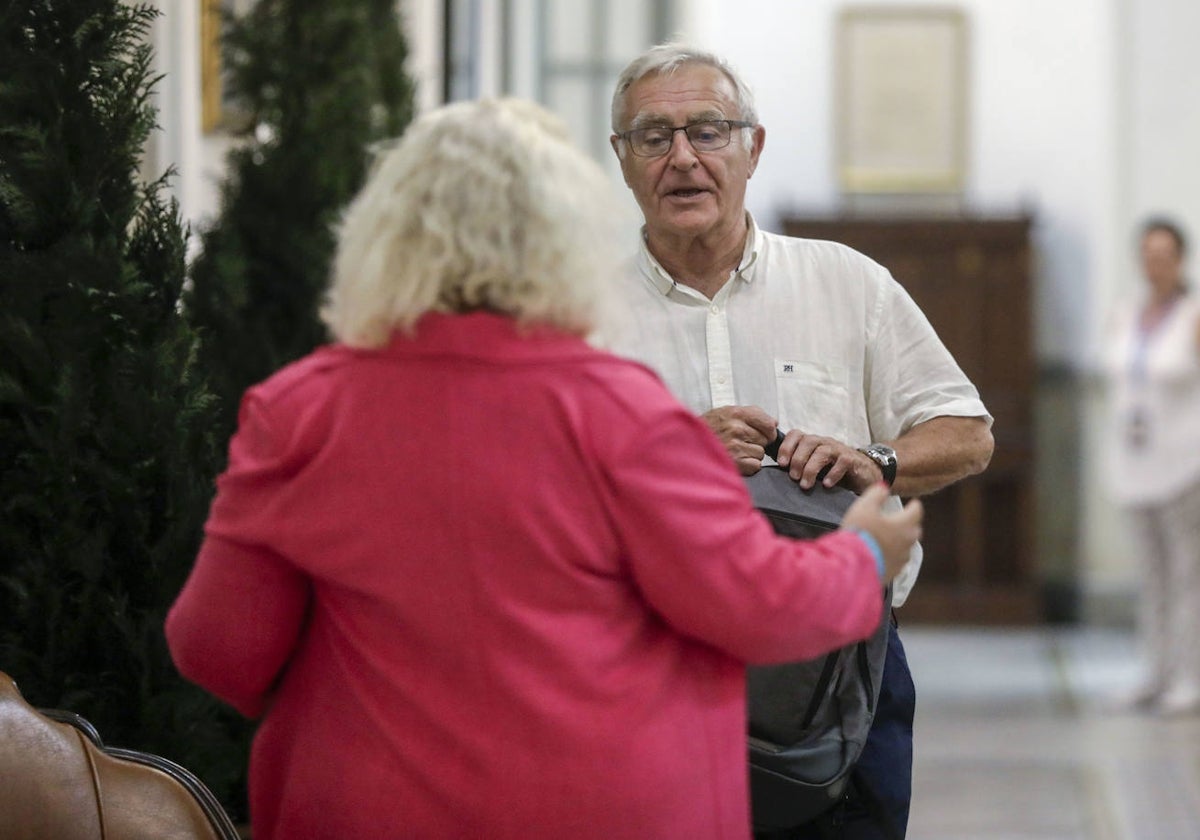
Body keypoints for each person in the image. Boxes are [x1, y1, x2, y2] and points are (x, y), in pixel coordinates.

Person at [165, 97, 925, 840]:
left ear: (383, 236)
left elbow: (218, 648)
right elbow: (754, 605)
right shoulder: (623, 412)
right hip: (600, 807)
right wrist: (862, 553)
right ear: (565, 242)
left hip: (365, 806)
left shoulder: (298, 409)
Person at [603, 44, 994, 839]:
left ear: (754, 147)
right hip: (648, 668)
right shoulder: (580, 312)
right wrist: (668, 460)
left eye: (708, 131)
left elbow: (967, 432)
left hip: (844, 665)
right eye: (653, 135)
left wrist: (874, 460)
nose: (683, 157)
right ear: (622, 158)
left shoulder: (845, 282)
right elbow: (532, 496)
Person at [1104, 216, 1200, 716]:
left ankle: (1188, 675)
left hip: (1185, 464)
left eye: (1164, 254)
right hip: (1136, 460)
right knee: (1151, 573)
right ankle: (1154, 670)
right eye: (1147, 253)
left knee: (1187, 574)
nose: (1154, 263)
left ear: (1179, 260)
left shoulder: (1192, 316)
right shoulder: (1126, 313)